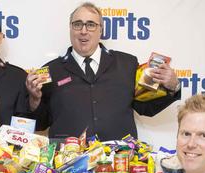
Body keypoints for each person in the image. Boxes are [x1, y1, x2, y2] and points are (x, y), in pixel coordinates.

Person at [25, 2, 181, 141]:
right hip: (68, 164)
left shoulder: (127, 64)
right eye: (77, 24)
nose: (84, 31)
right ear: (70, 29)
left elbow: (146, 108)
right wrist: (35, 101)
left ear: (101, 30)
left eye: (91, 24)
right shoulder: (50, 71)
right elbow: (41, 124)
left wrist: (173, 87)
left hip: (120, 161)